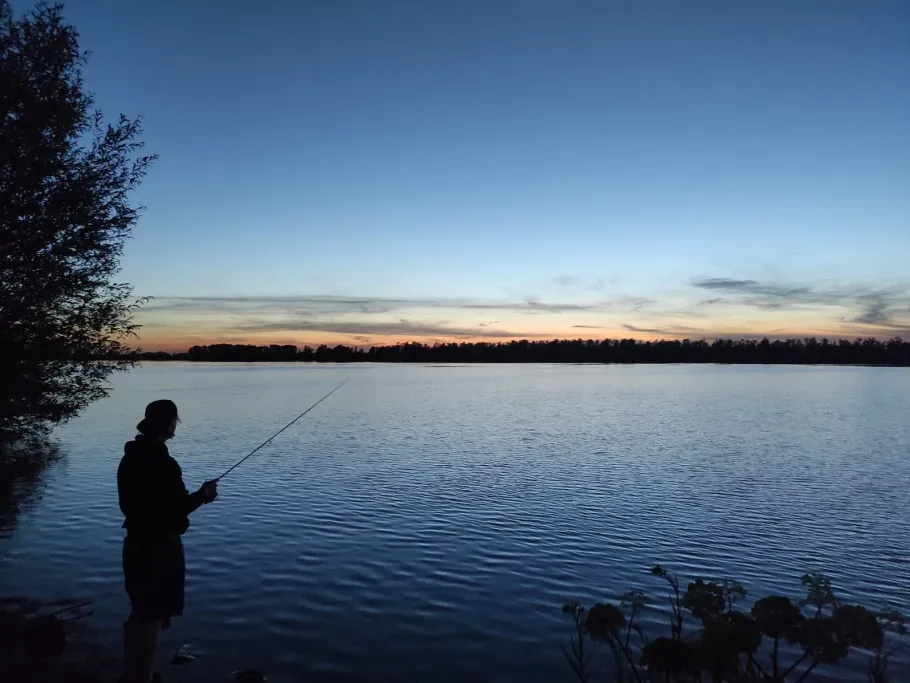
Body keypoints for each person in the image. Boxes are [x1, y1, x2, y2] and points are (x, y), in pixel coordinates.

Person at [117, 399, 218, 683]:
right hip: (160, 548)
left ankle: (130, 675)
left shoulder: (130, 458)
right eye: (175, 420)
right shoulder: (164, 464)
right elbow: (176, 509)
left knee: (139, 612)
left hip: (134, 543)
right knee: (154, 616)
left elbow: (128, 505)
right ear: (170, 424)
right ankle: (144, 678)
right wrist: (203, 495)